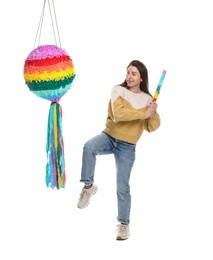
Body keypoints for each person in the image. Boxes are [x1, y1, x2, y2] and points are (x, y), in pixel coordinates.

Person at [77, 60, 160, 240]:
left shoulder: (147, 99)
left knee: (123, 186)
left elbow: (151, 127)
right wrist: (143, 113)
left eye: (133, 74)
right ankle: (89, 187)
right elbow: (119, 115)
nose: (129, 77)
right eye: (128, 72)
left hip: (128, 146)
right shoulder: (118, 90)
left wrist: (153, 112)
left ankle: (124, 225)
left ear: (141, 78)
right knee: (89, 147)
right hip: (109, 136)